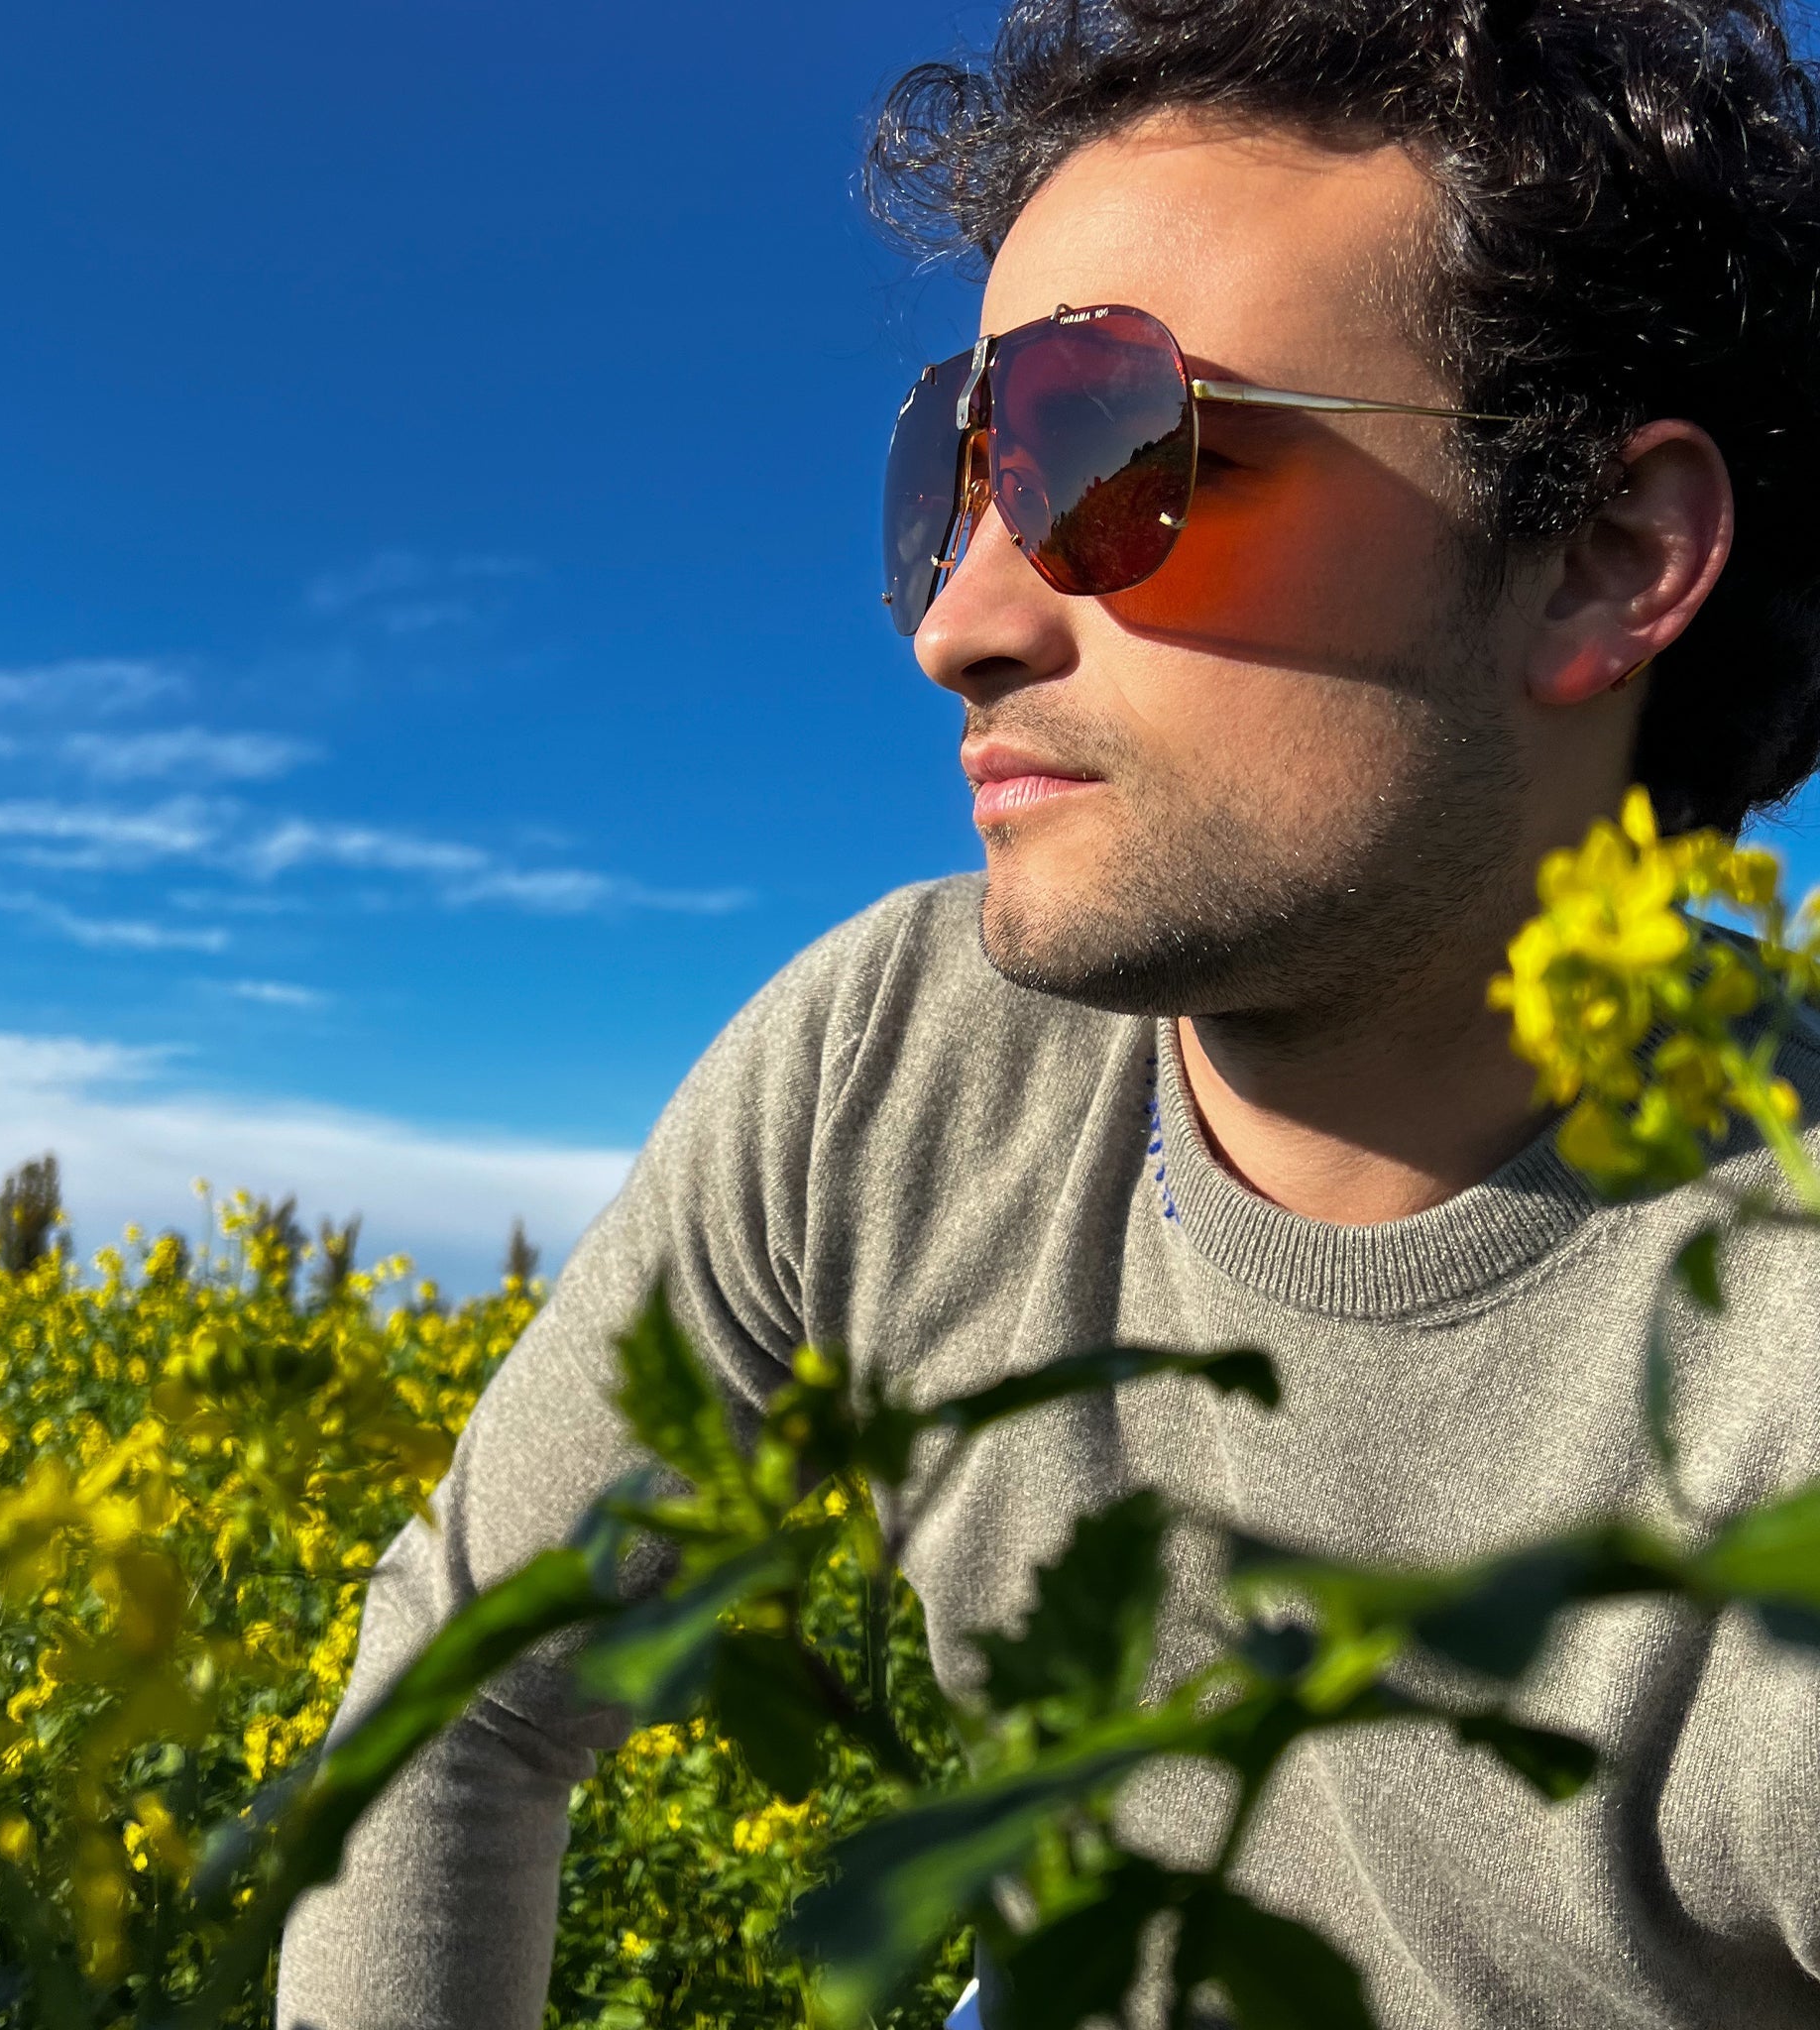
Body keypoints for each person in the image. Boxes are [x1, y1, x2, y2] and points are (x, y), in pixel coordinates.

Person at [277, 3, 1820, 2025]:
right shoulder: (888, 1068)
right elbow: (457, 1702)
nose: (955, 623)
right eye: (958, 472)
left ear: (1605, 562)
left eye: (1118, 450)